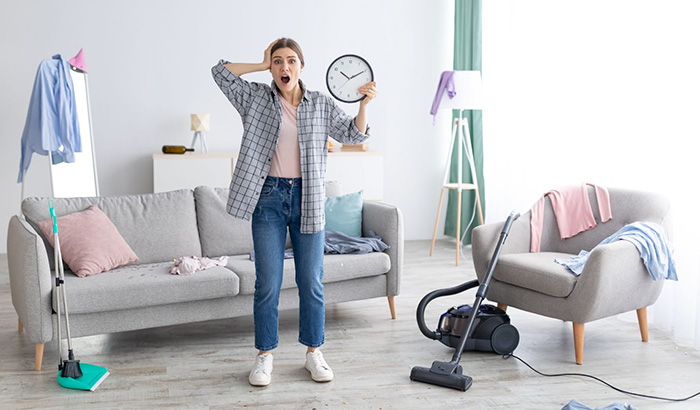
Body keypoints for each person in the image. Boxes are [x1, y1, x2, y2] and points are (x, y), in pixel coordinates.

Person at [211, 38, 378, 387]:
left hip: (309, 198)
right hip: (268, 198)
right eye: (277, 62)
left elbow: (353, 134)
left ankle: (313, 353)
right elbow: (220, 72)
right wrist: (259, 63)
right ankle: (264, 356)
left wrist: (364, 103)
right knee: (268, 283)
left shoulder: (320, 103)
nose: (284, 67)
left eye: (290, 61)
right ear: (271, 67)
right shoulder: (256, 98)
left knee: (311, 283)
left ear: (302, 66)